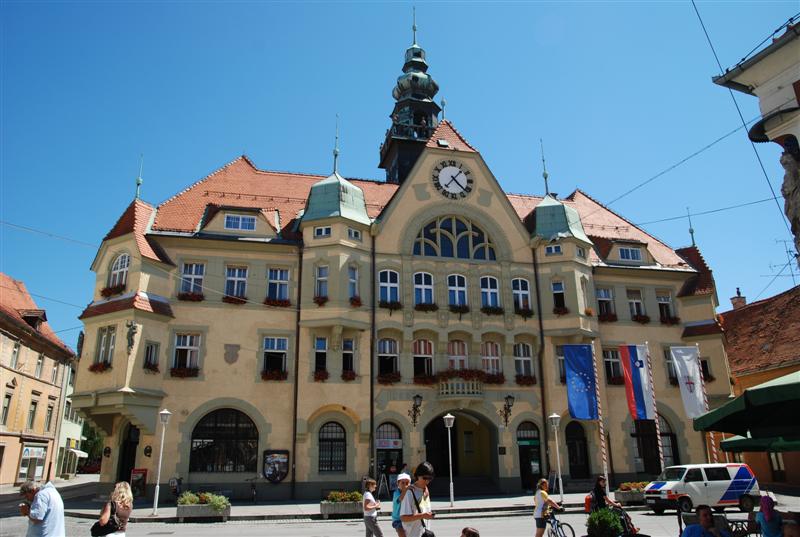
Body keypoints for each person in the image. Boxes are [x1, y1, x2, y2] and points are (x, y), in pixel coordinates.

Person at [400, 461, 435, 537]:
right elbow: (403, 518)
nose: (427, 481)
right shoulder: (410, 492)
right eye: (424, 478)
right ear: (418, 475)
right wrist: (423, 515)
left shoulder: (425, 490)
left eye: (430, 478)